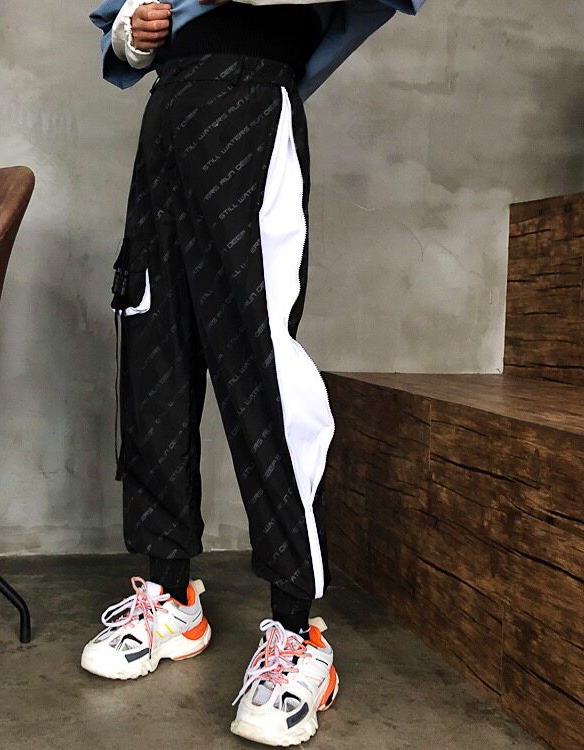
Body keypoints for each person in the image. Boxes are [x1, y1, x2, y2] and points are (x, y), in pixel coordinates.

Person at [83, 1, 424, 745]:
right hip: (169, 113)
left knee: (261, 370)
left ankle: (300, 635)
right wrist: (131, 33)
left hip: (252, 105)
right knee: (155, 350)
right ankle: (172, 597)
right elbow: (127, 20)